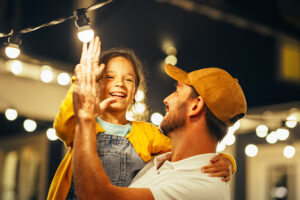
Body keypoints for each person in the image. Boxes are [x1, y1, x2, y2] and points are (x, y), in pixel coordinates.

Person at [47, 37, 236, 200]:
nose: (119, 83)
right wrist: (81, 85)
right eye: (109, 77)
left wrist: (224, 161)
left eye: (128, 79)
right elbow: (63, 125)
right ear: (96, 84)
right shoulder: (81, 125)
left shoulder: (147, 134)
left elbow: (188, 150)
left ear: (135, 91)